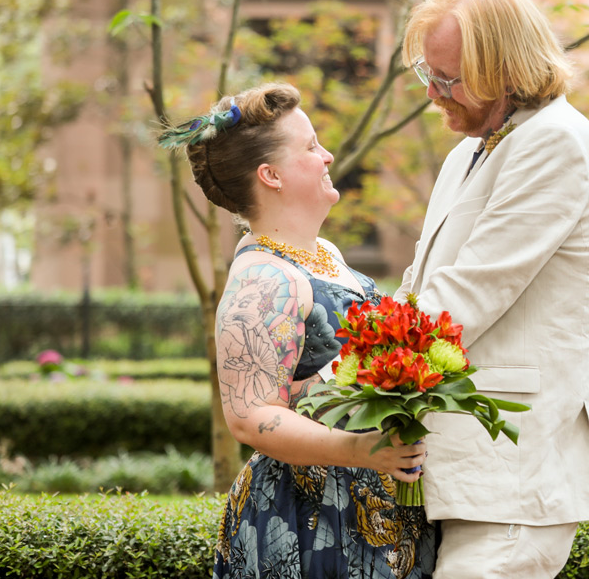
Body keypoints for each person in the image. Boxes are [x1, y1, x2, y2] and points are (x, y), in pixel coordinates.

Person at [158, 82, 435, 579]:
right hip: (309, 519)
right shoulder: (262, 278)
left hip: (373, 502)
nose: (327, 155)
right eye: (310, 146)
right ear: (271, 175)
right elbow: (249, 416)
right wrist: (362, 451)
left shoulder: (325, 253)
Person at [399, 0, 589, 578]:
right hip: (467, 468)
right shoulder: (470, 151)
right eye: (428, 72)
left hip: (517, 468)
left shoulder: (556, 144)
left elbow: (462, 301)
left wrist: (336, 376)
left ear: (507, 68)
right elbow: (420, 284)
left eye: (449, 79)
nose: (433, 93)